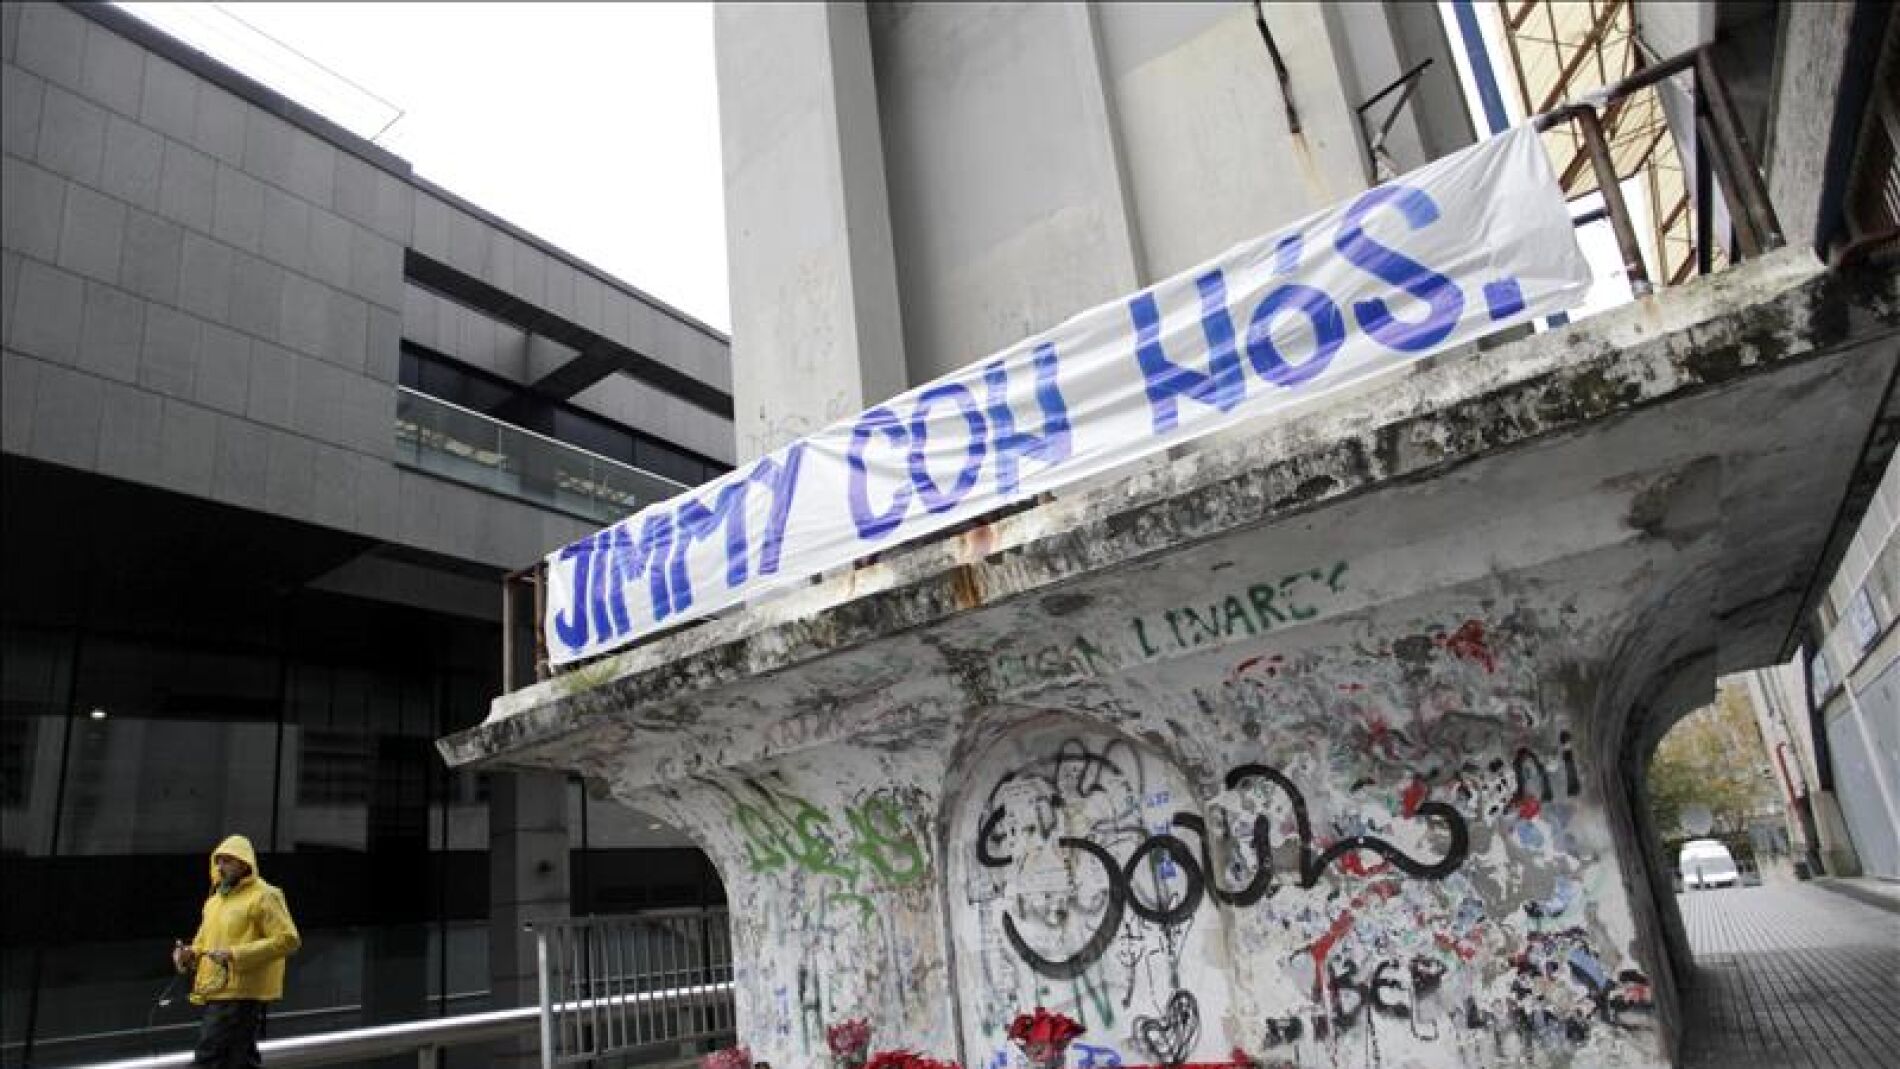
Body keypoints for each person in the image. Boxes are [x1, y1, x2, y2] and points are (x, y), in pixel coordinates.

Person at [170, 835, 301, 1068]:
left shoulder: (265, 895)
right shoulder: (214, 901)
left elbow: (288, 940)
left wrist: (235, 954)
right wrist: (189, 954)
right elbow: (203, 943)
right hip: (216, 988)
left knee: (209, 1056)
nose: (220, 866)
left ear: (244, 863)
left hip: (241, 991)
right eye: (218, 861)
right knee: (238, 1059)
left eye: (228, 860)